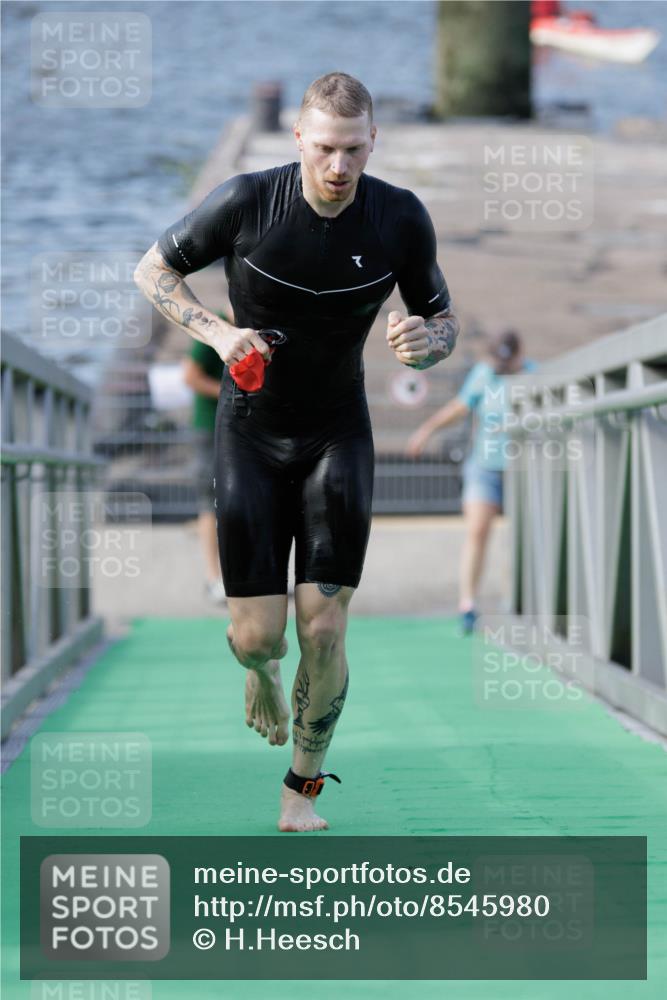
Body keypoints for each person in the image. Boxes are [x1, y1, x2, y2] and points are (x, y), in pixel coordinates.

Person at [134, 71, 459, 832]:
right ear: (298, 141)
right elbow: (152, 269)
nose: (339, 167)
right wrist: (216, 332)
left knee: (325, 625)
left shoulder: (400, 218)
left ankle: (300, 789)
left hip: (337, 431)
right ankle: (259, 672)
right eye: (324, 149)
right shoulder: (247, 201)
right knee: (259, 638)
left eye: (353, 149)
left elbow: (441, 321)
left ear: (373, 141)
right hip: (249, 430)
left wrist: (426, 346)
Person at [407, 331, 536, 634]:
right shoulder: (483, 375)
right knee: (478, 531)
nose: (503, 367)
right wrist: (426, 431)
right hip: (485, 468)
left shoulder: (534, 375)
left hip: (523, 471)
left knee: (521, 539)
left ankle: (516, 605)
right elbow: (459, 407)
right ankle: (467, 604)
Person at [182, 310, 229, 605]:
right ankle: (214, 579)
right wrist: (232, 392)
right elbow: (190, 376)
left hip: (243, 431)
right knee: (210, 503)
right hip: (209, 429)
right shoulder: (215, 326)